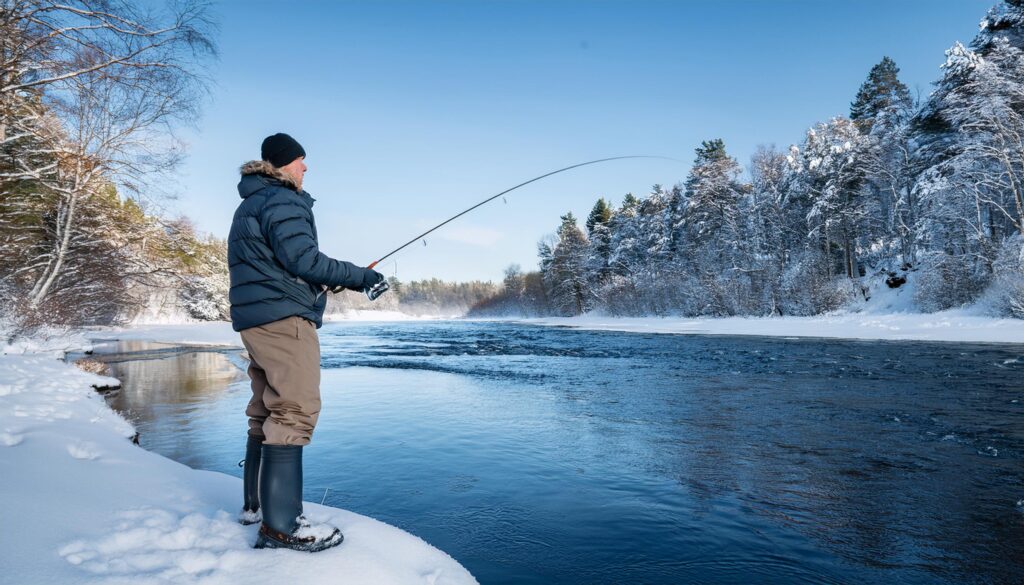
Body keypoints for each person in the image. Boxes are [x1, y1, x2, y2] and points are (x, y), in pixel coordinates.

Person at [228, 133, 384, 552]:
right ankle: (282, 528)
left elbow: (283, 265)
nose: (305, 167)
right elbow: (303, 260)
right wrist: (361, 276)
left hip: (257, 319)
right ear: (281, 165)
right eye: (300, 161)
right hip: (283, 321)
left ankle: (255, 508)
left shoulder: (252, 203)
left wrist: (312, 283)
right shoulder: (281, 200)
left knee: (265, 409)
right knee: (295, 410)